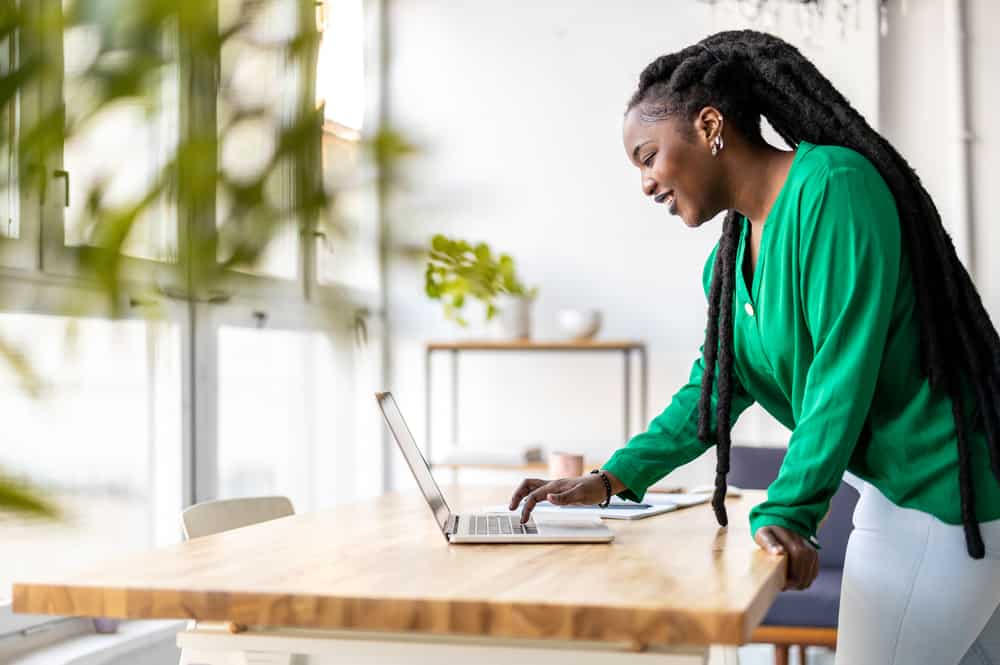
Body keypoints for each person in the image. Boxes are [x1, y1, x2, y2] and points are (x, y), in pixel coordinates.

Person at [509, 30, 1000, 665]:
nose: (645, 184)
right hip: (900, 493)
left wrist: (790, 510)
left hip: (947, 497)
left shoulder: (833, 187)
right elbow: (710, 392)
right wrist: (609, 481)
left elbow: (840, 373)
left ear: (710, 125)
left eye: (648, 155)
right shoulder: (730, 257)